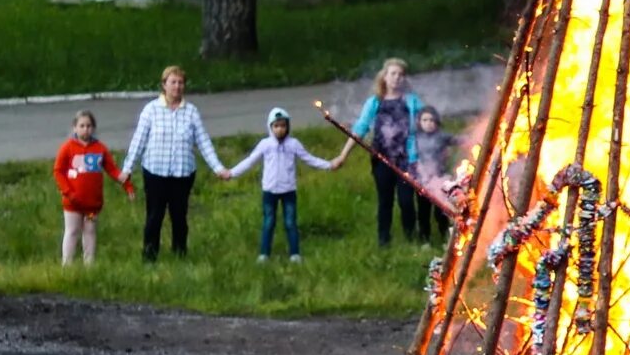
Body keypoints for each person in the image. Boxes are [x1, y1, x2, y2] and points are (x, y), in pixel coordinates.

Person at [222, 108, 347, 264]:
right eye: (276, 126)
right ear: (270, 127)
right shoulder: (265, 145)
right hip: (270, 191)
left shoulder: (293, 144)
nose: (280, 129)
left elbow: (309, 159)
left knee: (290, 222)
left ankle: (294, 254)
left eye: (283, 125)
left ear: (287, 126)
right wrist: (232, 173)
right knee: (269, 222)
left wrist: (329, 165)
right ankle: (264, 254)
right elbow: (250, 160)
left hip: (288, 191)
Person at [125, 66, 223, 261]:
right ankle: (149, 256)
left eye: (180, 83)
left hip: (182, 174)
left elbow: (203, 142)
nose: (177, 87)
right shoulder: (151, 110)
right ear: (164, 85)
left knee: (179, 216)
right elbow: (139, 140)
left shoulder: (191, 112)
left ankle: (180, 254)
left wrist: (218, 167)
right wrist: (127, 168)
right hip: (155, 172)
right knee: (154, 216)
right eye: (173, 82)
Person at [352, 58, 429, 248]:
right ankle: (383, 240)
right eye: (393, 74)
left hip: (407, 160)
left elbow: (428, 123)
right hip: (382, 160)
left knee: (406, 201)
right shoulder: (375, 102)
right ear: (384, 77)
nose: (397, 78)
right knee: (385, 201)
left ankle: (411, 238)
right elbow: (360, 128)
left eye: (401, 75)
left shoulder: (411, 102)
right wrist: (343, 155)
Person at [55, 110, 133, 266]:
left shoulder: (100, 148)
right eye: (82, 126)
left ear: (94, 128)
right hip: (73, 203)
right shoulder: (68, 147)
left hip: (92, 203)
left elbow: (112, 170)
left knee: (89, 231)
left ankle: (89, 265)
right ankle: (67, 265)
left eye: (89, 126)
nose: (85, 129)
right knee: (72, 231)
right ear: (75, 128)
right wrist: (68, 192)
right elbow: (58, 171)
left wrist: (127, 185)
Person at [412, 108, 457, 243]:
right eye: (425, 120)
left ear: (437, 122)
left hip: (440, 179)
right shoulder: (415, 139)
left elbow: (458, 140)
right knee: (423, 212)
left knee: (441, 211)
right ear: (419, 122)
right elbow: (412, 158)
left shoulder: (442, 136)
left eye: (432, 120)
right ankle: (424, 239)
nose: (429, 123)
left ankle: (444, 237)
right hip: (422, 181)